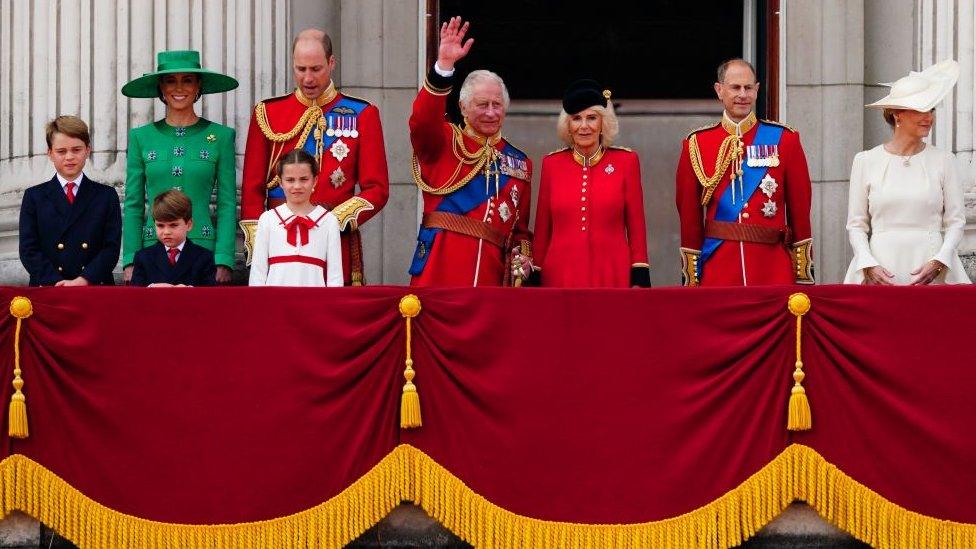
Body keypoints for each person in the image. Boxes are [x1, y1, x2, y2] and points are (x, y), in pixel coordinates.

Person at [240, 29, 389, 286]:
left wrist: (330, 221)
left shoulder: (362, 113)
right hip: (278, 239)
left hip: (335, 238)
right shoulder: (268, 113)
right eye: (301, 69)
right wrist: (258, 243)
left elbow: (377, 189)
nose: (308, 78)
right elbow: (252, 189)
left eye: (316, 69)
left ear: (332, 63)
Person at [408, 17, 533, 287]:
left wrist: (524, 260)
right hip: (439, 271)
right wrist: (444, 66)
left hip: (490, 278)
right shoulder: (443, 141)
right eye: (482, 104)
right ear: (463, 108)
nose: (490, 112)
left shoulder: (520, 162)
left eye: (497, 105)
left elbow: (520, 232)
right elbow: (422, 120)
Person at [675, 59, 814, 286]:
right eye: (735, 87)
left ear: (757, 90)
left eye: (748, 88)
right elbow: (689, 217)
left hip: (771, 269)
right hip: (719, 268)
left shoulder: (785, 140)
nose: (743, 94)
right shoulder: (697, 144)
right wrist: (692, 278)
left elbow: (800, 210)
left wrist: (802, 275)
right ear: (719, 90)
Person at [845, 60, 970, 285]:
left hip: (933, 269)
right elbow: (856, 224)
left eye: (931, 109)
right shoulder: (865, 161)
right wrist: (868, 263)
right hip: (881, 269)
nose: (928, 117)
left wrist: (940, 261)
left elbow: (956, 221)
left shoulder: (944, 160)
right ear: (897, 114)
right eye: (920, 109)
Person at [121, 50, 238, 284]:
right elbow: (133, 203)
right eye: (170, 81)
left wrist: (224, 258)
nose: (179, 88)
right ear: (161, 88)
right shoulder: (140, 137)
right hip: (151, 253)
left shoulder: (221, 136)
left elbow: (227, 202)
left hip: (203, 253)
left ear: (198, 87)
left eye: (188, 80)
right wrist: (130, 258)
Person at [533, 79, 650, 288]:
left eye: (592, 118)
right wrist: (536, 273)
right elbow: (542, 230)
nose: (584, 126)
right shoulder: (551, 164)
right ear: (567, 125)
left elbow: (636, 226)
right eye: (576, 118)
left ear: (603, 123)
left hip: (613, 272)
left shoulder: (626, 162)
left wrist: (640, 271)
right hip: (560, 274)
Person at [19, 116, 121, 286]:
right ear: (50, 153)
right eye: (61, 151)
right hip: (49, 287)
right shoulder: (34, 197)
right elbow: (28, 249)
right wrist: (55, 282)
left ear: (87, 150)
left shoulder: (106, 196)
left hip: (94, 287)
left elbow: (110, 248)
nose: (69, 157)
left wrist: (84, 280)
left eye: (76, 150)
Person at [248, 150, 343, 287]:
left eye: (304, 179)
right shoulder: (268, 219)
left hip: (314, 304)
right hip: (275, 304)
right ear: (280, 182)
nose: (297, 186)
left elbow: (335, 277)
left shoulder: (328, 221)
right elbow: (258, 273)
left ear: (315, 180)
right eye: (290, 180)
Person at [130, 190, 217, 287]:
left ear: (189, 224)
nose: (166, 232)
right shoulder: (143, 257)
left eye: (173, 225)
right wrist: (151, 288)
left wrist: (190, 291)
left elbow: (209, 296)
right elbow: (135, 296)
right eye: (160, 225)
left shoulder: (204, 257)